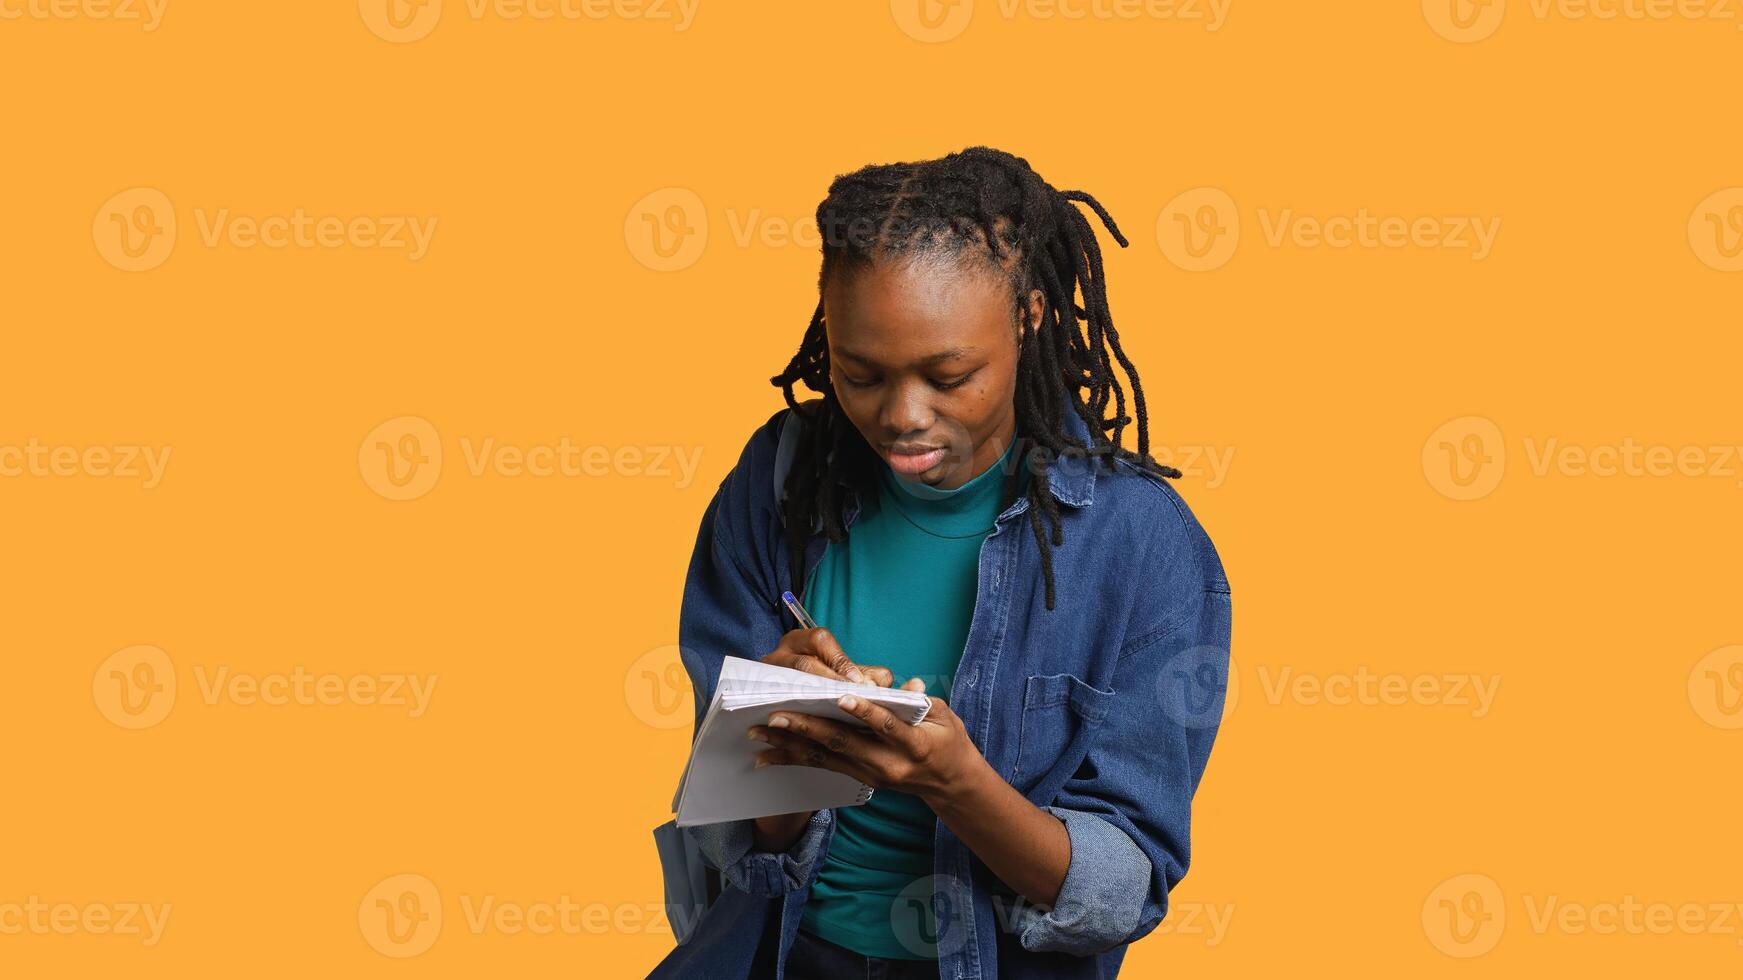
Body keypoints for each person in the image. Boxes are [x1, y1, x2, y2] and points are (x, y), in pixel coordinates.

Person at [649, 146, 1231, 979]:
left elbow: (1119, 895)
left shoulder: (1140, 542)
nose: (901, 416)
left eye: (948, 375)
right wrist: (778, 748)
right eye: (859, 374)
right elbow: (732, 845)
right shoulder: (779, 481)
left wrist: (958, 785)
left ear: (1028, 316)